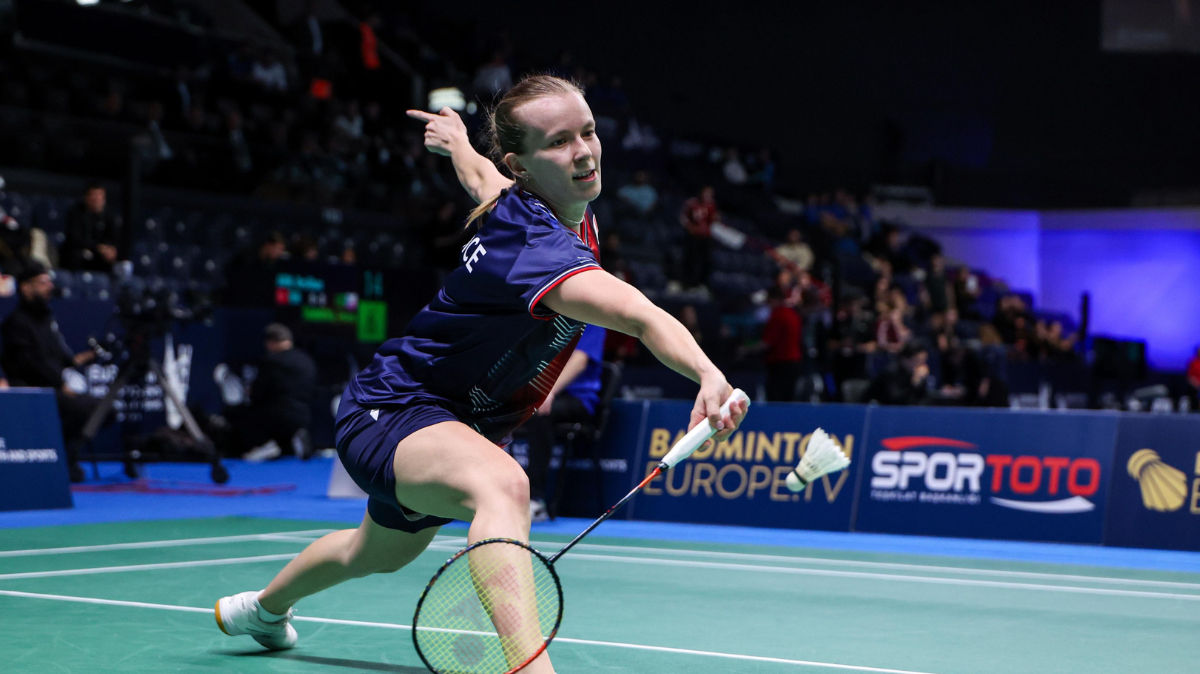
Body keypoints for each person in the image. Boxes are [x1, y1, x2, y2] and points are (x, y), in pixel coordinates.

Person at [214, 76, 748, 673]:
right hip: (394, 410)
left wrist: (456, 139)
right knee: (505, 486)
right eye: (559, 142)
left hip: (449, 426)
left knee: (376, 552)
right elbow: (641, 317)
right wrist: (706, 372)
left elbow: (478, 175)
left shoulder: (533, 201)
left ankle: (260, 610)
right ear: (522, 164)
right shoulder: (535, 248)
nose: (583, 151)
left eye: (589, 132)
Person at [0, 263, 99, 481]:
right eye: (42, 282)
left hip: (57, 389)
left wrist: (83, 359)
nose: (49, 287)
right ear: (26, 288)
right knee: (82, 409)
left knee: (103, 409)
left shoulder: (47, 320)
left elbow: (63, 358)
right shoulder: (15, 323)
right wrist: (60, 384)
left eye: (49, 282)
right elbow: (29, 365)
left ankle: (64, 453)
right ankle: (57, 454)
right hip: (33, 391)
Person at [518, 324, 606, 522]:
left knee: (540, 413)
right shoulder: (549, 317)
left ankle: (535, 499)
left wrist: (548, 390)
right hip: (542, 393)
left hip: (577, 399)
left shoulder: (592, 320)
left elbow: (580, 360)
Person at [215, 324, 317, 461]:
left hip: (276, 417)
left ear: (271, 342)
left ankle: (263, 444)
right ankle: (293, 440)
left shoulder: (270, 361)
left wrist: (250, 392)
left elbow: (257, 395)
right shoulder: (307, 361)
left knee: (235, 412)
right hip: (304, 417)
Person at [61, 183, 122, 273]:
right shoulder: (76, 213)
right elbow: (75, 238)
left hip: (102, 255)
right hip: (81, 252)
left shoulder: (110, 216)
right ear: (86, 197)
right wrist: (98, 247)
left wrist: (111, 249)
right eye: (94, 196)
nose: (97, 199)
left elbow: (115, 237)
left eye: (100, 196)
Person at [679, 186, 718, 291]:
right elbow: (683, 218)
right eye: (706, 193)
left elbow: (712, 221)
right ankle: (687, 284)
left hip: (705, 236)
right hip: (693, 236)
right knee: (691, 259)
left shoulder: (711, 205)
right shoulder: (691, 203)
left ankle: (701, 284)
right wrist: (690, 227)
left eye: (710, 194)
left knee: (706, 260)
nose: (708, 195)